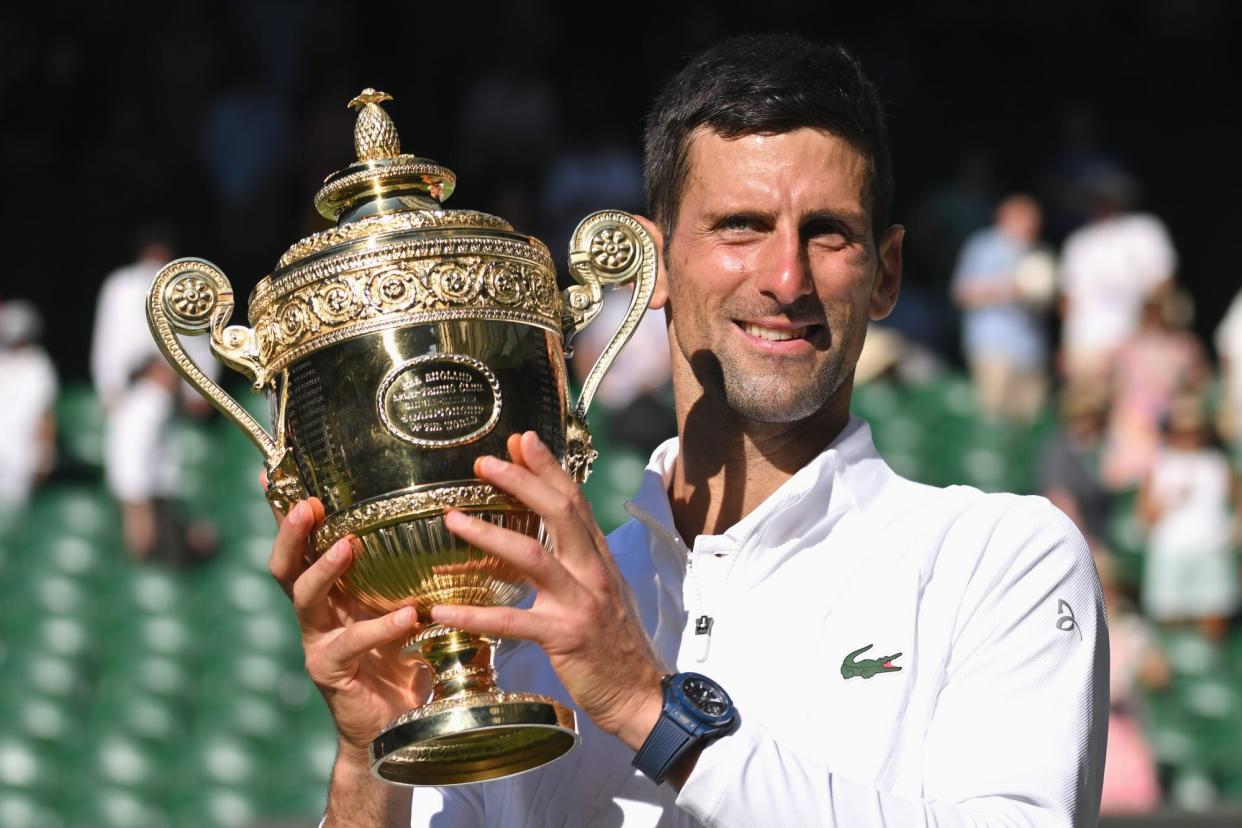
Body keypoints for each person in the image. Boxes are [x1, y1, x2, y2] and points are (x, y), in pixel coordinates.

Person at [268, 35, 1107, 827]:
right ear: (652, 266)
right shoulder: (519, 618)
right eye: (740, 226)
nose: (786, 278)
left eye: (828, 233)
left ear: (885, 274)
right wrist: (367, 756)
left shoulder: (1002, 559)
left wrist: (646, 706)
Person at [1058, 165, 1177, 386]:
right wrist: (1066, 346)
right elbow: (1069, 299)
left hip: (1134, 340)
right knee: (1085, 412)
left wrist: (1145, 335)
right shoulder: (1078, 242)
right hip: (1087, 343)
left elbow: (1162, 283)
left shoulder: (1145, 230)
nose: (1101, 201)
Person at [950, 194, 1053, 422]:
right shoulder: (984, 246)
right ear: (1006, 217)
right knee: (994, 420)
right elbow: (961, 292)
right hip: (993, 346)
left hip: (1031, 351)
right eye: (1027, 218)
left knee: (1029, 423)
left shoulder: (1039, 251)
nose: (1033, 224)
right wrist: (1006, 287)